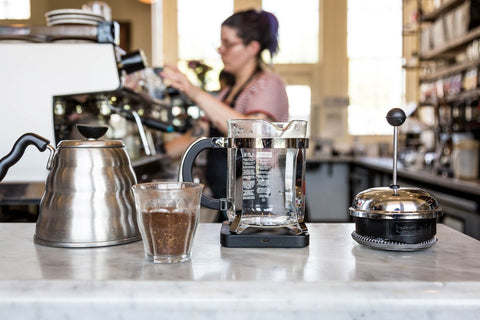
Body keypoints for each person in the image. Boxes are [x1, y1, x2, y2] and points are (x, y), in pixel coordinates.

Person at [160, 9, 289, 213]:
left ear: (252, 47)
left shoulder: (268, 84)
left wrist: (192, 90)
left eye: (228, 43)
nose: (220, 50)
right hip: (229, 200)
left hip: (261, 201)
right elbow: (196, 136)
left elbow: (253, 133)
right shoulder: (226, 93)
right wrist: (150, 156)